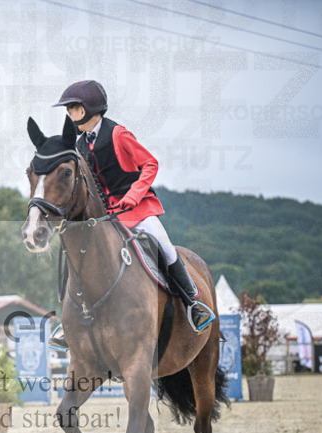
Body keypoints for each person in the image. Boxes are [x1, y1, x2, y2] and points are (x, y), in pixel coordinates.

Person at [51, 80, 215, 336]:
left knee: (164, 245)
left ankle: (194, 303)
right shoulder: (80, 145)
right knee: (76, 254)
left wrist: (134, 195)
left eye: (74, 108)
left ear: (90, 108)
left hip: (135, 209)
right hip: (104, 217)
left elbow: (150, 164)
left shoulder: (118, 134)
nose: (70, 114)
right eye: (69, 109)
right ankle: (69, 320)